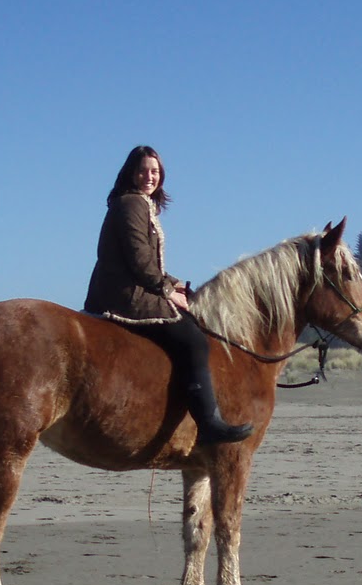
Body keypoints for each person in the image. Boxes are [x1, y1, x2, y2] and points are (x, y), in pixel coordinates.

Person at [84, 145, 253, 444]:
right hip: (125, 294)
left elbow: (146, 262)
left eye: (155, 171)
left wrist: (175, 284)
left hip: (130, 286)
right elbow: (139, 260)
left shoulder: (140, 204)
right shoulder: (131, 204)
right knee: (194, 340)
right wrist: (166, 292)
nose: (149, 176)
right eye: (143, 170)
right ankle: (208, 424)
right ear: (130, 173)